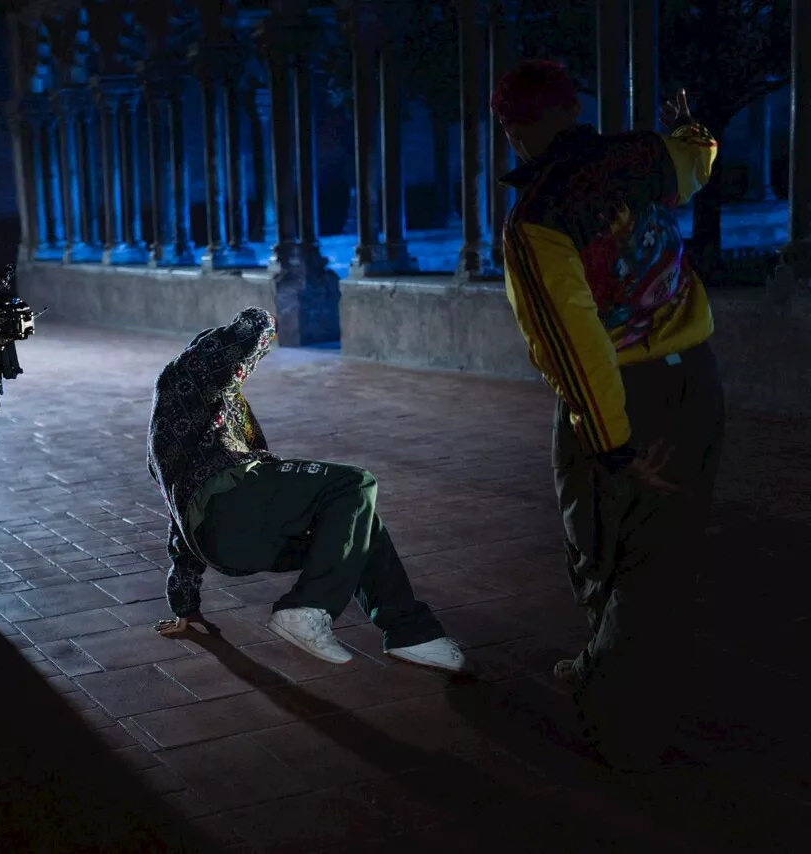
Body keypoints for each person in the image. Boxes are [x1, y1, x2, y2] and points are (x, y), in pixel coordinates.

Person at [492, 60, 726, 768]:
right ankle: (621, 677)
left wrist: (613, 445)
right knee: (666, 551)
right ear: (573, 107)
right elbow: (697, 158)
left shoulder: (535, 220)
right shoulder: (639, 156)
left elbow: (574, 343)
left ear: (513, 128)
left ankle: (619, 720)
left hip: (624, 398)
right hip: (695, 384)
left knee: (606, 550)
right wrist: (688, 126)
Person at [146, 307, 469, 673]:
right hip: (232, 504)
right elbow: (254, 326)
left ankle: (412, 633)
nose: (245, 369)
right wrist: (261, 320)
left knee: (358, 525)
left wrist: (184, 605)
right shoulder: (183, 375)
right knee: (353, 482)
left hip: (229, 544)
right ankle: (308, 607)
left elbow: (178, 524)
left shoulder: (179, 434)